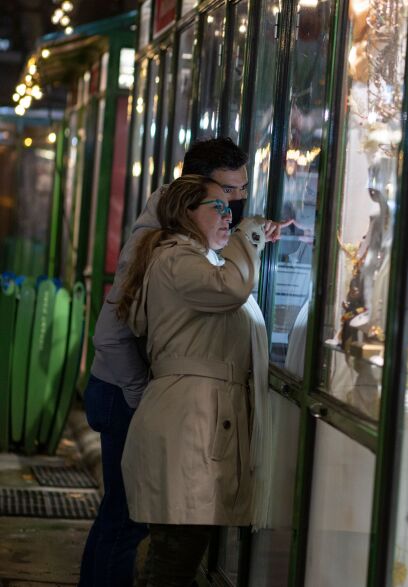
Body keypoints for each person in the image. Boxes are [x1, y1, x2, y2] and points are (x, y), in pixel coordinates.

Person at [78, 137, 285, 586]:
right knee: (128, 524)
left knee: (132, 524)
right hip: (122, 392)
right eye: (227, 194)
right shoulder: (165, 243)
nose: (236, 203)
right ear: (194, 191)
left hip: (147, 397)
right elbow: (112, 334)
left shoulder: (193, 235)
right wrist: (142, 397)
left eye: (241, 191)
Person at [114, 174, 270, 585]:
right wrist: (248, 233)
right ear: (186, 214)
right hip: (189, 426)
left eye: (229, 208)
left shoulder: (189, 259)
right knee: (176, 554)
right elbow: (232, 288)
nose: (227, 216)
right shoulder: (178, 260)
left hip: (194, 423)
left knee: (174, 551)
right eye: (216, 208)